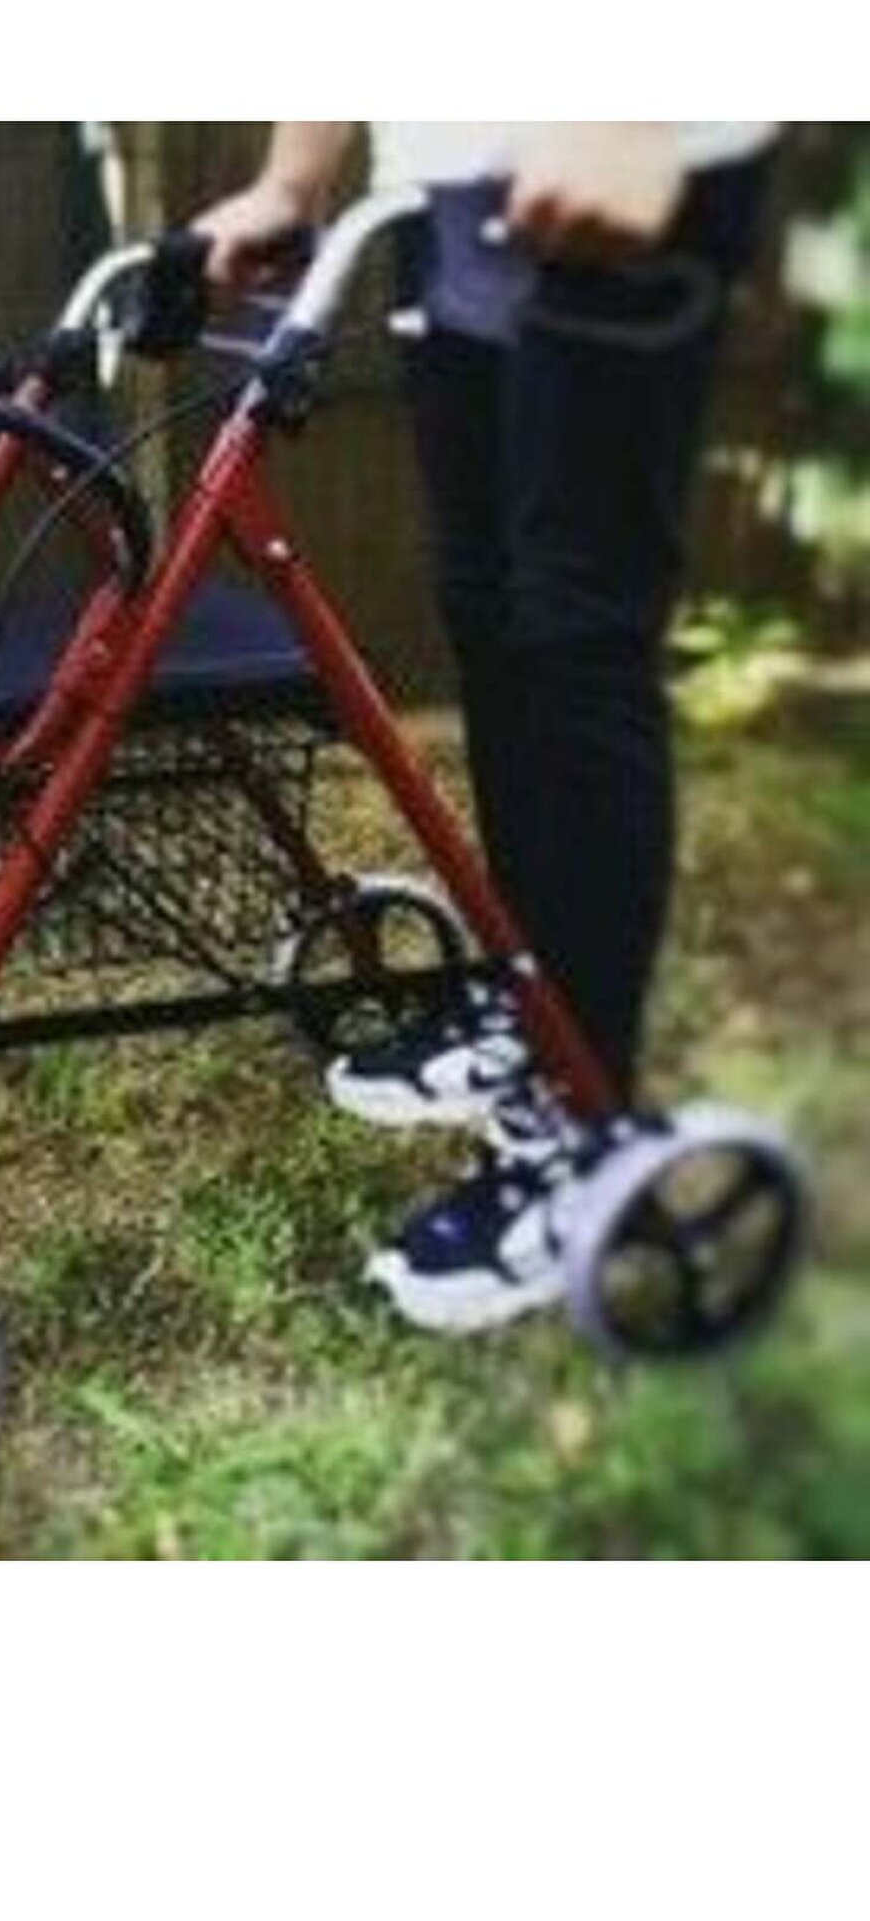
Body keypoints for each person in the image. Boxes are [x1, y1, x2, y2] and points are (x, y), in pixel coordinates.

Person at [195, 122, 777, 1333]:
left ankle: (582, 1119)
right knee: (496, 623)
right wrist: (295, 180)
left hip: (621, 169)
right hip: (453, 187)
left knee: (580, 644)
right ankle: (529, 1003)